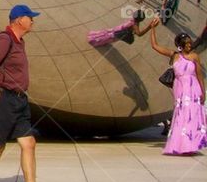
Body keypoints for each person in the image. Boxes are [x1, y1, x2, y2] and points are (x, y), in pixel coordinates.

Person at [0, 5, 58, 182]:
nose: (33, 21)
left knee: (29, 143)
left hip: (19, 100)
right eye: (30, 17)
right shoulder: (5, 39)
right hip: (5, 99)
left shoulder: (20, 42)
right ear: (19, 19)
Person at [150, 21, 206, 155]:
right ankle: (181, 145)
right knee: (181, 116)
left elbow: (199, 75)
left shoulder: (194, 57)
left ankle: (190, 145)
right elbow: (155, 46)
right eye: (186, 43)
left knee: (191, 116)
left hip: (193, 89)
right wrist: (152, 29)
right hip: (180, 89)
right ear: (180, 45)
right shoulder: (174, 56)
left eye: (190, 43)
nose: (189, 45)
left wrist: (203, 92)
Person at [87, 10, 154, 47]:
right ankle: (95, 41)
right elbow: (139, 34)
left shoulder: (134, 20)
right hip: (120, 32)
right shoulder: (135, 24)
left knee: (106, 33)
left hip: (118, 28)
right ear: (140, 20)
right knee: (108, 37)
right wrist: (149, 27)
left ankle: (95, 38)